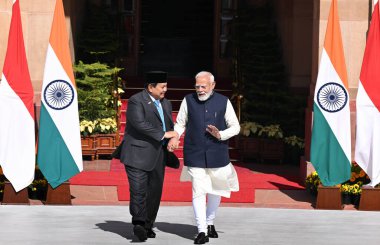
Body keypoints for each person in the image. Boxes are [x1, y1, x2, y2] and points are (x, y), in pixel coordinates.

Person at [168, 71, 240, 244]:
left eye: (203, 86)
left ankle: (209, 222)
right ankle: (201, 231)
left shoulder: (224, 101)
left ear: (212, 86)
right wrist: (176, 136)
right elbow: (180, 123)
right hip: (195, 153)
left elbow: (235, 127)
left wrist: (221, 134)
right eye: (197, 86)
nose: (200, 90)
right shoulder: (188, 100)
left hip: (218, 153)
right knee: (198, 192)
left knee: (216, 191)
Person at [120, 71, 178, 241]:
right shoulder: (136, 100)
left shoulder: (166, 103)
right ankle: (138, 223)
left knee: (154, 192)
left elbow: (170, 125)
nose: (165, 90)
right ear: (150, 87)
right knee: (138, 190)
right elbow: (139, 124)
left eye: (166, 86)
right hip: (137, 154)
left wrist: (173, 137)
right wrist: (164, 134)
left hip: (158, 155)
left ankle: (148, 224)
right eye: (162, 87)